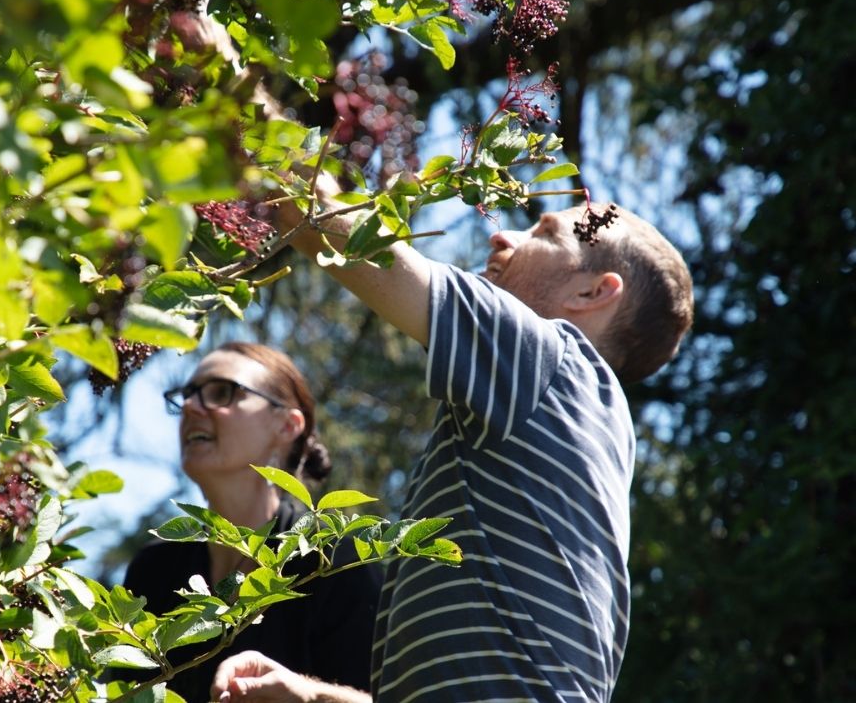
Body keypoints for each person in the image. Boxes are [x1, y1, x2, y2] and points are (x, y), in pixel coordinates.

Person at [210, 187, 694, 702]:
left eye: (545, 234)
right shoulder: (543, 434)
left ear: (593, 293)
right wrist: (311, 696)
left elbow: (342, 234)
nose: (502, 237)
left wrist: (271, 156)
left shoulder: (556, 363)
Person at [121, 341, 382, 702]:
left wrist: (310, 695)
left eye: (222, 392)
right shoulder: (153, 571)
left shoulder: (335, 559)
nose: (191, 406)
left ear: (287, 425)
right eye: (188, 394)